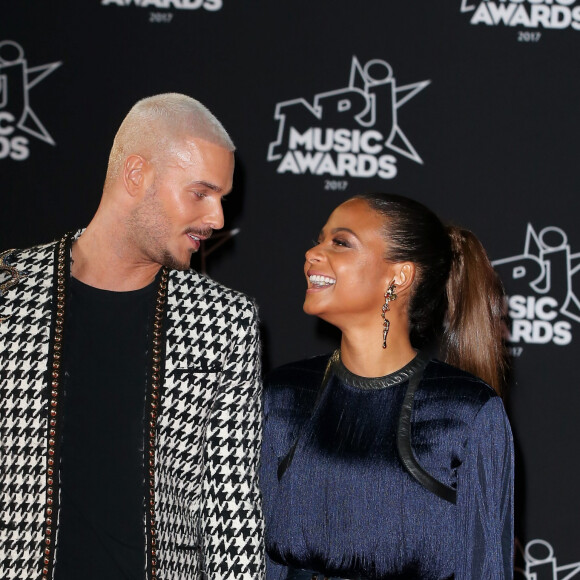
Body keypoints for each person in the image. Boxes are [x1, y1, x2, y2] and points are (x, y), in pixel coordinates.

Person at [0, 93, 264, 580]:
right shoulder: (8, 293)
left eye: (221, 198)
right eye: (200, 193)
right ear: (136, 175)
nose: (218, 219)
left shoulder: (224, 319)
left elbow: (233, 514)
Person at [261, 193, 514, 579]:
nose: (313, 252)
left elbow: (485, 570)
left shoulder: (467, 412)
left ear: (400, 276)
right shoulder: (284, 395)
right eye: (320, 239)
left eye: (340, 242)